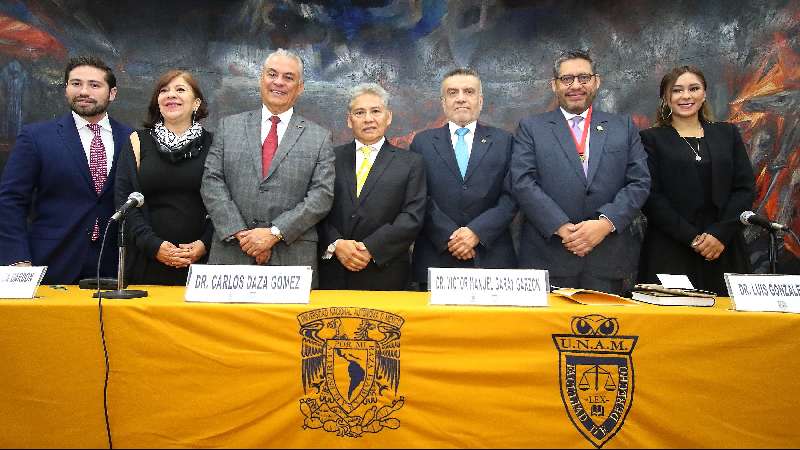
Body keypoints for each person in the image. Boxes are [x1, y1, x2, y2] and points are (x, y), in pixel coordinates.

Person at [511, 50, 651, 295]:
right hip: (548, 255)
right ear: (554, 85)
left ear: (597, 81)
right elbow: (523, 182)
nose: (575, 85)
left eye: (583, 78)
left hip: (607, 257)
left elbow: (639, 182)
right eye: (567, 79)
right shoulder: (531, 128)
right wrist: (563, 228)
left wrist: (604, 224)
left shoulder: (624, 127)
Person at [201, 49, 334, 286]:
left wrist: (273, 234)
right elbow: (212, 181)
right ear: (261, 79)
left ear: (300, 87)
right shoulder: (228, 127)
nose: (279, 82)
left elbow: (321, 196)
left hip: (291, 258)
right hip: (232, 252)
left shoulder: (320, 137)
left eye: (288, 77)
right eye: (272, 74)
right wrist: (243, 236)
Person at [0, 56, 132, 284]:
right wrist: (16, 258)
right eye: (76, 83)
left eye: (94, 85)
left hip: (114, 267)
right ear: (66, 89)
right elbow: (11, 201)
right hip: (50, 263)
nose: (84, 91)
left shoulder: (131, 139)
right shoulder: (36, 137)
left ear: (112, 93)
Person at [638, 66, 755, 295]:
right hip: (671, 248)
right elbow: (650, 196)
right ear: (665, 98)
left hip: (724, 247)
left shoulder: (727, 134)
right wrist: (693, 239)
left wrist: (719, 234)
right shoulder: (650, 139)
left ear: (704, 94)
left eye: (694, 88)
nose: (686, 96)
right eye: (677, 90)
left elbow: (744, 189)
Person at [410, 68, 517, 289]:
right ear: (443, 102)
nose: (460, 98)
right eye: (452, 92)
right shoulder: (422, 142)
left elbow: (512, 196)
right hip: (436, 256)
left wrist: (477, 232)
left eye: (468, 91)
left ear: (480, 100)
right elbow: (418, 196)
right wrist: (450, 237)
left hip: (491, 257)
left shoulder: (505, 141)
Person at [318, 83, 426, 290]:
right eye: (360, 112)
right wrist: (336, 244)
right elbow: (316, 208)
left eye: (375, 111)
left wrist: (371, 248)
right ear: (349, 120)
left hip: (387, 274)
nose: (368, 119)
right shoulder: (329, 158)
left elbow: (412, 216)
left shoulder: (411, 163)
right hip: (333, 273)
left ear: (388, 117)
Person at [115, 70, 214, 285]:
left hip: (201, 263)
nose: (171, 95)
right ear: (157, 101)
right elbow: (123, 200)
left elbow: (226, 202)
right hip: (145, 260)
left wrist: (204, 244)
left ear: (196, 103)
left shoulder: (215, 144)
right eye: (164, 90)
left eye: (180, 89)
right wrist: (153, 246)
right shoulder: (137, 141)